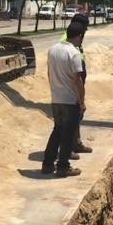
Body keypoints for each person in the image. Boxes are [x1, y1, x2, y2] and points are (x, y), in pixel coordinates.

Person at [41, 21, 85, 177]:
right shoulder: (74, 53)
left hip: (56, 99)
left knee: (57, 131)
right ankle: (63, 167)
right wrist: (82, 101)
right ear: (79, 36)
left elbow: (48, 73)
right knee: (67, 134)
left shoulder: (52, 50)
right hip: (69, 101)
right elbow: (77, 80)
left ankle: (47, 164)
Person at [61, 14, 93, 156]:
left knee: (76, 118)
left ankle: (76, 143)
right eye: (85, 28)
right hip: (71, 86)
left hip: (76, 84)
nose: (85, 31)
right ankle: (67, 150)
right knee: (70, 120)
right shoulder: (68, 41)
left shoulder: (77, 40)